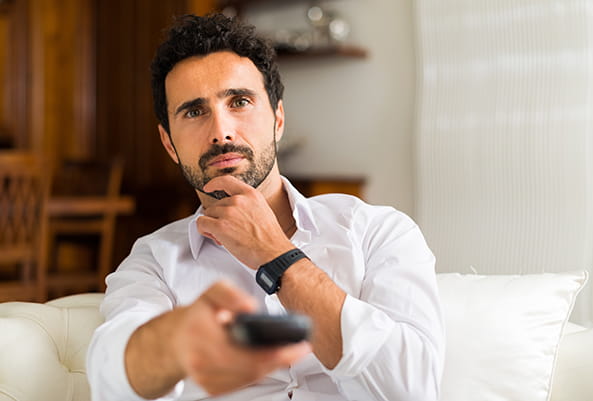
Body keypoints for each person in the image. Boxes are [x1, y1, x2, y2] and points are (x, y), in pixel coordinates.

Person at [86, 13, 444, 401]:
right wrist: (175, 343)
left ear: (278, 119)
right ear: (169, 144)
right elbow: (113, 377)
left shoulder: (379, 233)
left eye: (239, 101)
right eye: (194, 111)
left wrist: (276, 256)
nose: (221, 131)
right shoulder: (153, 261)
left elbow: (413, 389)